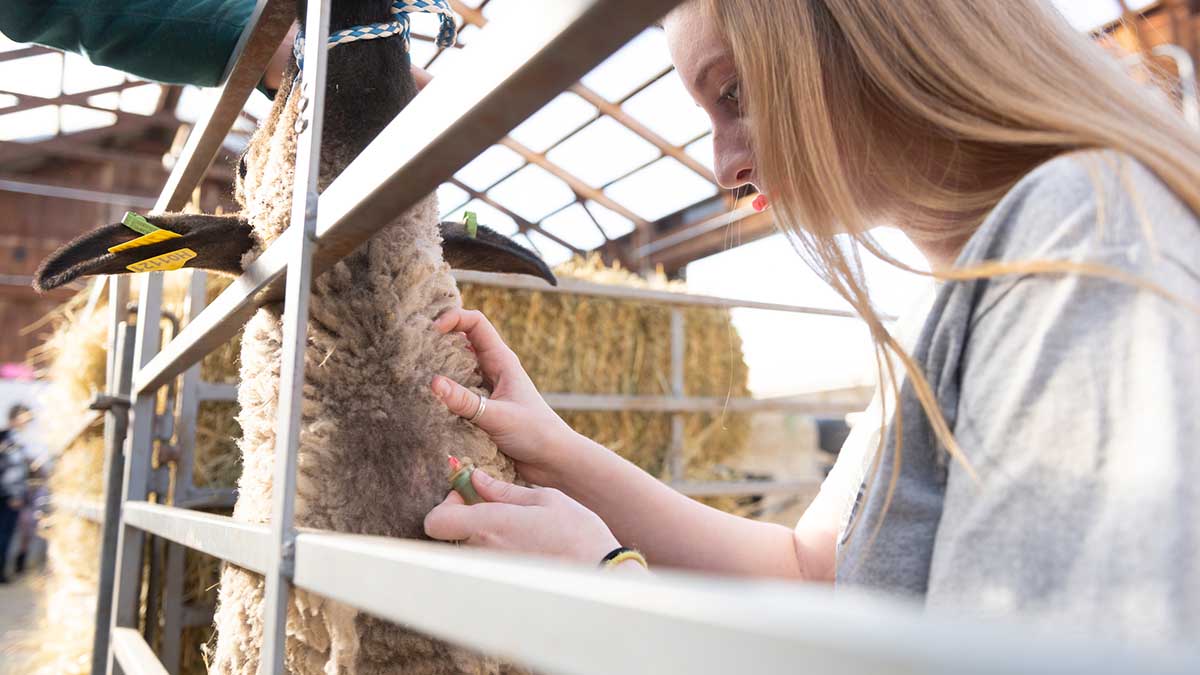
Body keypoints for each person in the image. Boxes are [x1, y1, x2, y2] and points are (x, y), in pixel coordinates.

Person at [421, 0, 1200, 649]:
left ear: (867, 29)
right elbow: (808, 567)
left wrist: (612, 590)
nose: (723, 170)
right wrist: (555, 448)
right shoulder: (953, 297)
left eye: (733, 95)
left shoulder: (1081, 244)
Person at [0, 404, 31, 584]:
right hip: (7, 496)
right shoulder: (11, 439)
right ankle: (1, 573)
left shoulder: (6, 436)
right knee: (4, 534)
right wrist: (15, 495)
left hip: (5, 493)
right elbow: (12, 470)